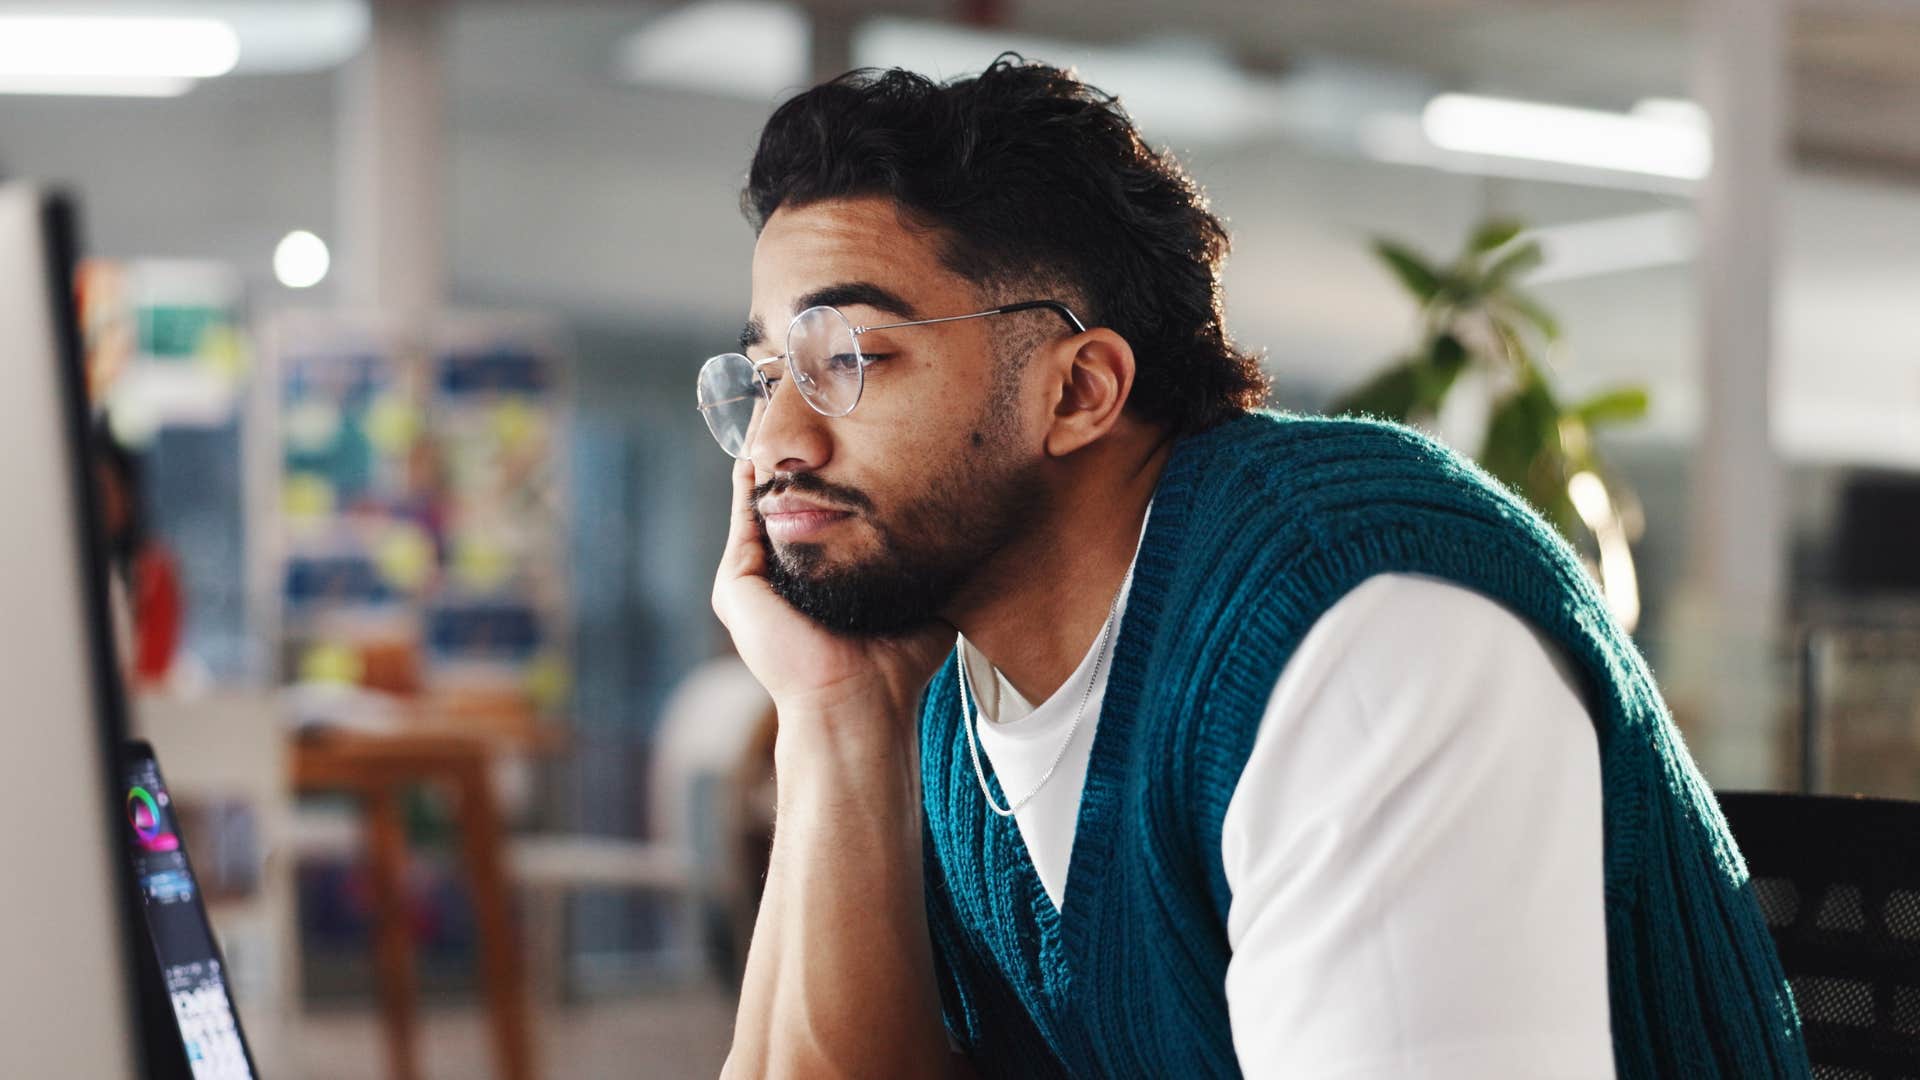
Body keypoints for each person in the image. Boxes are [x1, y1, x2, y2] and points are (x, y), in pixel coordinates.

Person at [703, 57, 1807, 1079]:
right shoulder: (952, 697)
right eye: (763, 373)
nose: (775, 442)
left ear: (1080, 390)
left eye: (847, 358)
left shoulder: (1355, 626)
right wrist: (837, 716)